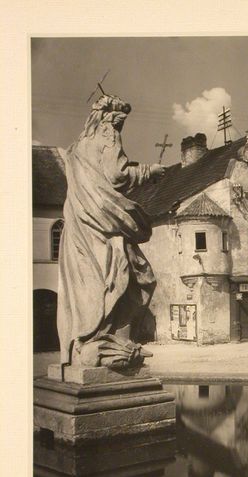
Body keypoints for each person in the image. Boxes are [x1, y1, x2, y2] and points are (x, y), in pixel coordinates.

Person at [57, 94, 166, 368]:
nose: (121, 128)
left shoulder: (77, 147)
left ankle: (89, 344)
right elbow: (117, 175)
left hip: (79, 228)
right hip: (105, 227)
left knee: (88, 287)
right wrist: (149, 171)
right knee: (137, 278)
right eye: (121, 122)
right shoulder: (108, 135)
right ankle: (114, 341)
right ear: (110, 120)